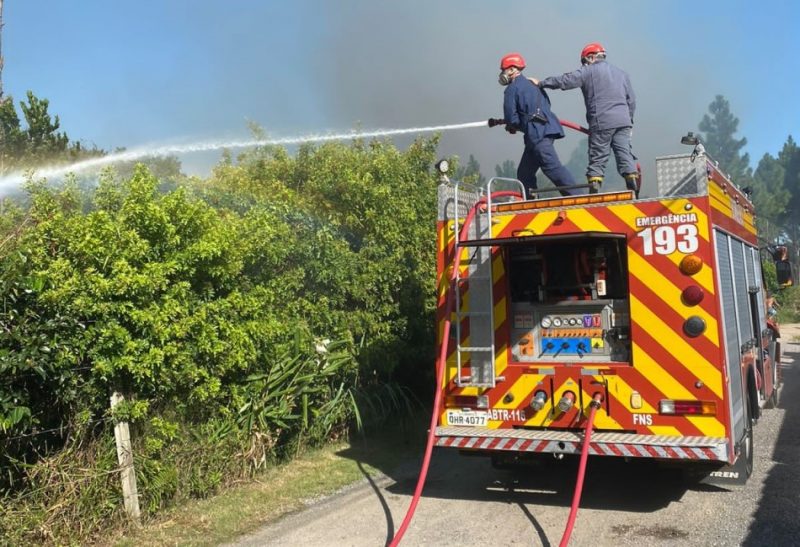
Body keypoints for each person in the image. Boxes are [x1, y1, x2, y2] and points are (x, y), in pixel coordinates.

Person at [532, 43, 638, 195]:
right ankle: (633, 184)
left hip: (602, 121)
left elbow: (565, 81)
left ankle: (594, 186)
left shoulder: (588, 71)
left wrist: (541, 83)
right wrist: (629, 121)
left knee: (598, 156)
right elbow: (632, 100)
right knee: (624, 154)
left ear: (590, 57)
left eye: (583, 62)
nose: (583, 65)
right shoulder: (622, 74)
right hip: (623, 122)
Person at [497, 52, 578, 199]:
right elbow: (546, 104)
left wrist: (512, 126)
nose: (502, 74)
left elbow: (511, 118)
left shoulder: (511, 89)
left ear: (512, 70)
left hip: (536, 133)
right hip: (545, 129)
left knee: (551, 166)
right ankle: (530, 199)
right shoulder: (534, 84)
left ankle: (577, 196)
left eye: (503, 70)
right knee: (524, 172)